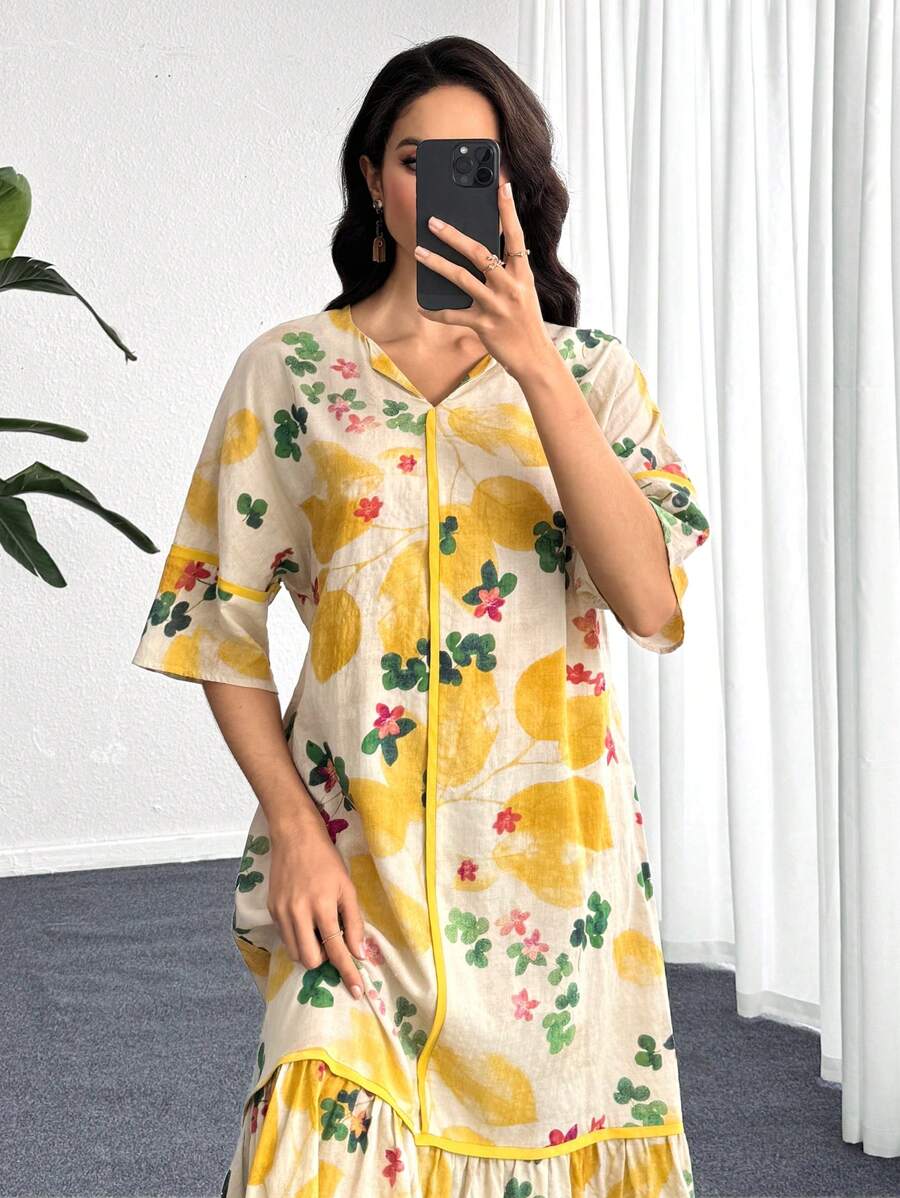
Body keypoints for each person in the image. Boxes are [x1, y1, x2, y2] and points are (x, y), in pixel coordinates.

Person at [132, 34, 710, 1198]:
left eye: (474, 161)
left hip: (553, 898)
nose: (442, 182)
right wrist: (292, 826)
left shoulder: (592, 376)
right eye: (415, 157)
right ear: (372, 178)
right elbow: (211, 620)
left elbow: (649, 601)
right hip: (356, 861)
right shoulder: (289, 372)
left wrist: (534, 367)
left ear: (512, 185)